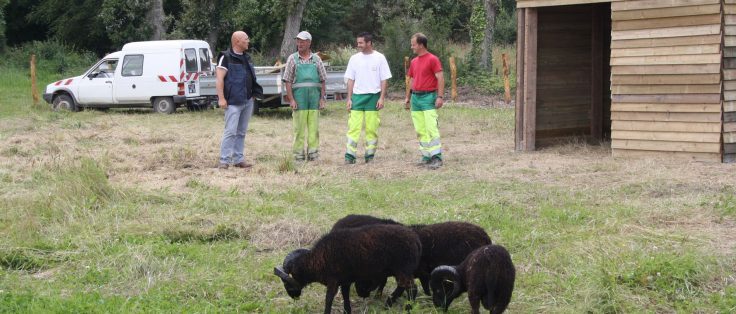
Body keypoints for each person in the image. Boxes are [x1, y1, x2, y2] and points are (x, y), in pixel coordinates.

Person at [216, 31, 263, 170]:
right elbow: (219, 79)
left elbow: (251, 77)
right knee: (230, 131)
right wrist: (221, 98)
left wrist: (253, 94)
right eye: (246, 39)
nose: (248, 41)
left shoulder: (247, 58)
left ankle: (238, 159)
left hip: (248, 101)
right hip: (232, 102)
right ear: (237, 41)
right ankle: (224, 160)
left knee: (241, 132)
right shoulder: (225, 57)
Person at [343, 32, 391, 164]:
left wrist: (381, 98)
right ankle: (349, 155)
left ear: (369, 43)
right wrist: (349, 98)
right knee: (353, 127)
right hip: (357, 97)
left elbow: (384, 79)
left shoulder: (380, 58)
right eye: (358, 42)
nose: (358, 45)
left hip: (373, 97)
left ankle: (369, 155)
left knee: (371, 128)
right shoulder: (354, 58)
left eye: (361, 43)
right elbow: (350, 80)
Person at [283, 31, 328, 162]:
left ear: (309, 42)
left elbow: (323, 80)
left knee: (314, 129)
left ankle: (313, 154)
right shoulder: (292, 58)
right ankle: (298, 155)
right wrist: (291, 99)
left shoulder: (317, 59)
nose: (299, 44)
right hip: (299, 100)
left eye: (302, 41)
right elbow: (288, 81)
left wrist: (322, 99)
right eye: (298, 41)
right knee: (299, 129)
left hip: (314, 99)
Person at [404, 33, 445, 169]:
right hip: (415, 98)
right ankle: (426, 156)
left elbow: (440, 78)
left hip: (428, 97)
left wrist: (439, 97)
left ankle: (436, 158)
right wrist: (408, 98)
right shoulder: (414, 62)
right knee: (420, 129)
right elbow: (412, 80)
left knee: (431, 128)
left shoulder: (433, 59)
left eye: (413, 44)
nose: (412, 47)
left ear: (421, 45)